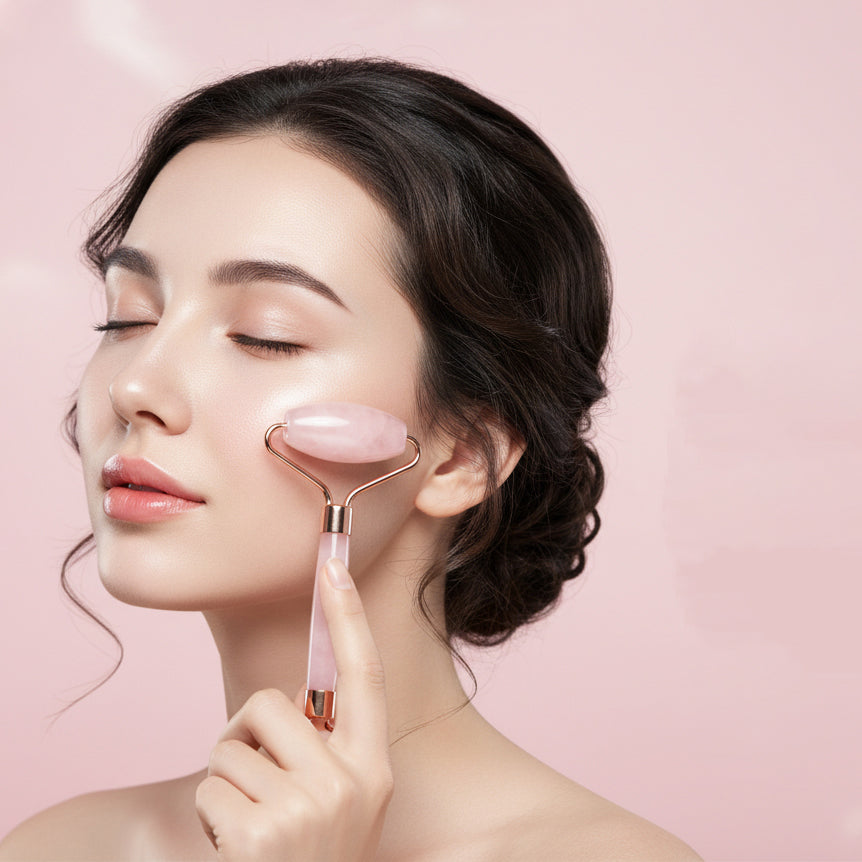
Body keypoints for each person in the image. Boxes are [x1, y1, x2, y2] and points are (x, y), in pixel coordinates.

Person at [0, 58, 699, 860]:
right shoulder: (60, 847)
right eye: (128, 319)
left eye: (268, 334)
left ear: (460, 457)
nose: (137, 387)